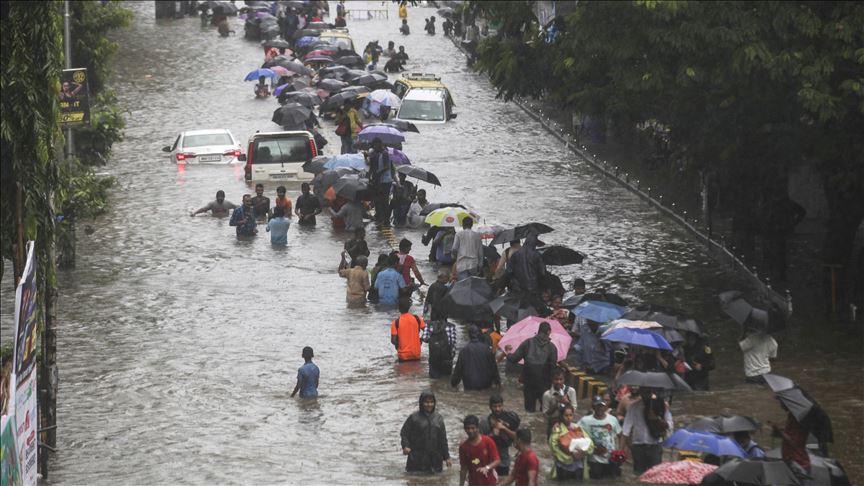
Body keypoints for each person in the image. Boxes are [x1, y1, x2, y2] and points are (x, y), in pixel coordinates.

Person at [501, 321, 559, 412]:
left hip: (529, 381)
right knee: (545, 410)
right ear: (548, 332)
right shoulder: (552, 347)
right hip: (544, 383)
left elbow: (513, 359)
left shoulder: (527, 343)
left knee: (529, 410)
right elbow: (553, 368)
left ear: (538, 331)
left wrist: (508, 353)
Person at [621, 388, 673, 474]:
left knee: (655, 475)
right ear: (640, 392)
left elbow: (669, 425)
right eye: (644, 391)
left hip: (655, 446)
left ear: (652, 391)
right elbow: (626, 429)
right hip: (638, 447)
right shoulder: (634, 407)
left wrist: (656, 419)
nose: (646, 394)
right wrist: (622, 450)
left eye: (648, 391)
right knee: (638, 474)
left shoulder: (661, 405)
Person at [400, 391, 452, 473]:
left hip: (435, 459)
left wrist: (447, 457)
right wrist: (405, 446)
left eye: (432, 402)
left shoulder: (439, 418)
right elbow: (404, 433)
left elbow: (443, 440)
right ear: (421, 403)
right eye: (426, 402)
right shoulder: (414, 418)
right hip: (417, 458)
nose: (429, 405)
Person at [577, 396, 622, 479]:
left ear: (605, 407)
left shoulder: (612, 419)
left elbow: (620, 435)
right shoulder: (585, 420)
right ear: (593, 407)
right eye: (597, 406)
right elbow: (575, 432)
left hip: (611, 459)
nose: (600, 408)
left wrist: (621, 452)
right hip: (594, 460)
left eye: (601, 406)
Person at [479, 394, 521, 478]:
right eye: (494, 406)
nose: (497, 409)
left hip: (503, 460)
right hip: (488, 460)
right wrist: (492, 435)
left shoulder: (509, 419)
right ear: (490, 406)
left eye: (499, 406)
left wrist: (504, 429)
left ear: (503, 406)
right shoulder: (484, 422)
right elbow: (479, 442)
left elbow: (517, 439)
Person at [506, 233, 548, 314]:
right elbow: (543, 273)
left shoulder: (515, 254)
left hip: (519, 290)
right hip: (534, 290)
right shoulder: (536, 255)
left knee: (519, 313)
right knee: (536, 312)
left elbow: (508, 272)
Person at [548, 404, 592, 481]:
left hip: (578, 466)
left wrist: (583, 453)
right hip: (563, 467)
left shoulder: (577, 427)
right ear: (561, 416)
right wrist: (571, 457)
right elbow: (554, 448)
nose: (569, 418)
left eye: (571, 415)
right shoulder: (557, 430)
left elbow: (590, 443)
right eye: (566, 415)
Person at [451, 325, 501, 391]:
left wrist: (454, 384)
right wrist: (498, 382)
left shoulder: (464, 350)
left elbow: (458, 370)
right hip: (486, 385)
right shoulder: (487, 349)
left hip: (470, 385)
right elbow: (494, 368)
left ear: (469, 336)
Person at [459, 415, 500, 486]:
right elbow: (463, 468)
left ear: (478, 428)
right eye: (468, 428)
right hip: (473, 482)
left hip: (489, 482)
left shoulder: (488, 441)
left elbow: (497, 460)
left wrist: (487, 468)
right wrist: (461, 484)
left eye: (473, 428)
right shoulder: (463, 447)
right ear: (465, 429)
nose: (470, 431)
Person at [771, 404, 810, 470]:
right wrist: (776, 431)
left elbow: (793, 442)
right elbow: (786, 435)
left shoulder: (800, 419)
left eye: (782, 403)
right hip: (789, 461)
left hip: (799, 463)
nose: (781, 406)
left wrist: (779, 430)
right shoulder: (791, 416)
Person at [541, 368, 578, 436]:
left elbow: (574, 410)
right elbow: (545, 415)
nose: (558, 382)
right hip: (553, 424)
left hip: (567, 424)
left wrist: (567, 402)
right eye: (556, 379)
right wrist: (556, 404)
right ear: (552, 380)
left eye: (561, 379)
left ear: (564, 380)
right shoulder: (547, 395)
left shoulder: (571, 391)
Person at [368, 138, 395, 225]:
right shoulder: (374, 154)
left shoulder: (385, 153)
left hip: (386, 180)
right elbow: (372, 167)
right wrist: (369, 177)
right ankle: (380, 217)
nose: (374, 147)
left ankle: (386, 220)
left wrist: (378, 173)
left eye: (376, 145)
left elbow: (387, 166)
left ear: (379, 144)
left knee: (384, 200)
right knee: (377, 200)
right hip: (378, 180)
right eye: (374, 146)